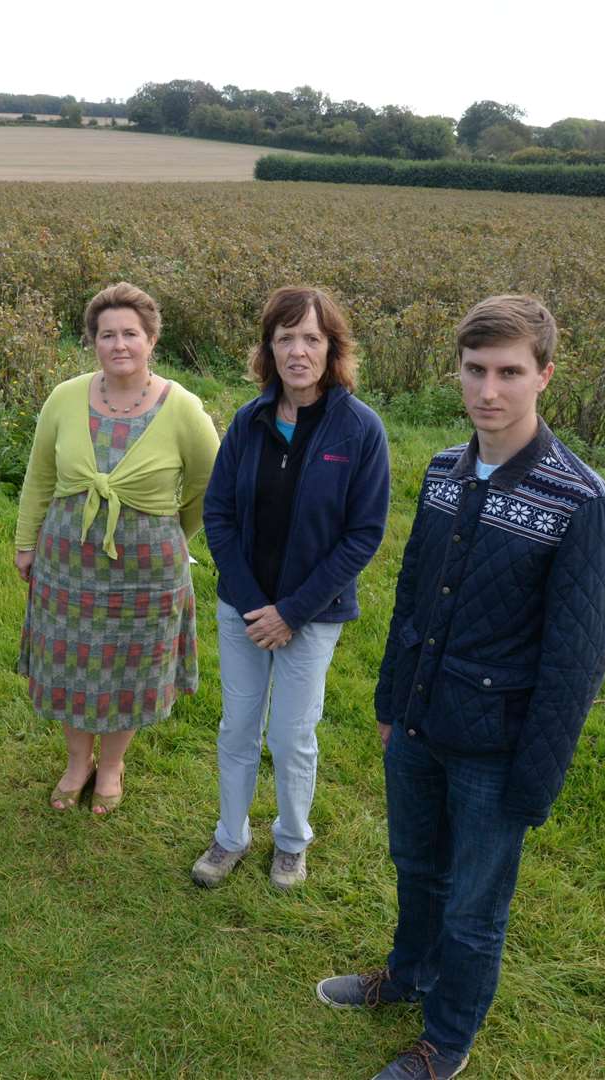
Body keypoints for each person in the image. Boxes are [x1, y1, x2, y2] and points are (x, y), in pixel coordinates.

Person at [317, 295, 605, 1080]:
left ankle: (444, 1042)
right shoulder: (445, 472)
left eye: (510, 372)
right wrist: (390, 704)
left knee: (475, 910)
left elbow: (576, 660)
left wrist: (535, 779)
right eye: (476, 370)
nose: (490, 389)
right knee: (416, 867)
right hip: (418, 725)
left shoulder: (581, 501)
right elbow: (414, 595)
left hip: (495, 747)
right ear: (458, 372)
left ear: (545, 376)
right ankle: (408, 974)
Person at [192, 286, 390, 891]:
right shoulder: (250, 422)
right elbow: (218, 514)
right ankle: (230, 837)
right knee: (238, 727)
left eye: (311, 338)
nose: (297, 351)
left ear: (332, 349)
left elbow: (363, 535)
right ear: (268, 349)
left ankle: (291, 840)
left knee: (291, 734)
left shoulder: (360, 430)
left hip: (313, 614)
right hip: (244, 609)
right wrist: (255, 603)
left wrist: (292, 612)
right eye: (284, 338)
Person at [14, 282, 220, 815]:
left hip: (147, 567)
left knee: (131, 665)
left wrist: (171, 533)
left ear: (151, 339)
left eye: (131, 333)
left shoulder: (184, 409)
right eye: (107, 334)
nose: (119, 344)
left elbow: (208, 486)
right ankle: (77, 762)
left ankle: (110, 767)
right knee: (70, 660)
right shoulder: (65, 397)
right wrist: (25, 542)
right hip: (67, 558)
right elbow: (39, 477)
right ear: (93, 341)